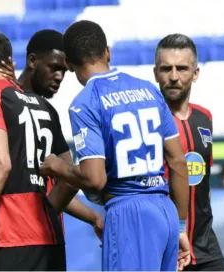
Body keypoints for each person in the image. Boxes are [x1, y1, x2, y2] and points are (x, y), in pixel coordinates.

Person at [39, 20, 191, 271]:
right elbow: (177, 161)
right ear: (107, 52)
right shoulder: (149, 91)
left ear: (68, 63)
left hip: (129, 213)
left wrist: (56, 166)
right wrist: (182, 226)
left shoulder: (85, 102)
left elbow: (94, 178)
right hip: (166, 211)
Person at [0, 31, 74, 271]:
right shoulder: (44, 105)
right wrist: (46, 213)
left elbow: (0, 164)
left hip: (12, 239)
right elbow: (70, 178)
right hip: (51, 241)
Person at [16, 29, 103, 239]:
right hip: (11, 239)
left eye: (64, 71)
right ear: (32, 61)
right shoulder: (4, 101)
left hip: (44, 238)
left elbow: (70, 178)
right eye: (54, 68)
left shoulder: (49, 112)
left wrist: (95, 218)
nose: (59, 77)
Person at [154, 33, 224, 271]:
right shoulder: (148, 122)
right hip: (165, 251)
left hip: (207, 249)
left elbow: (202, 181)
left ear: (195, 73)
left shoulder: (204, 117)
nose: (174, 77)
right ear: (156, 73)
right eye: (166, 68)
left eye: (182, 68)